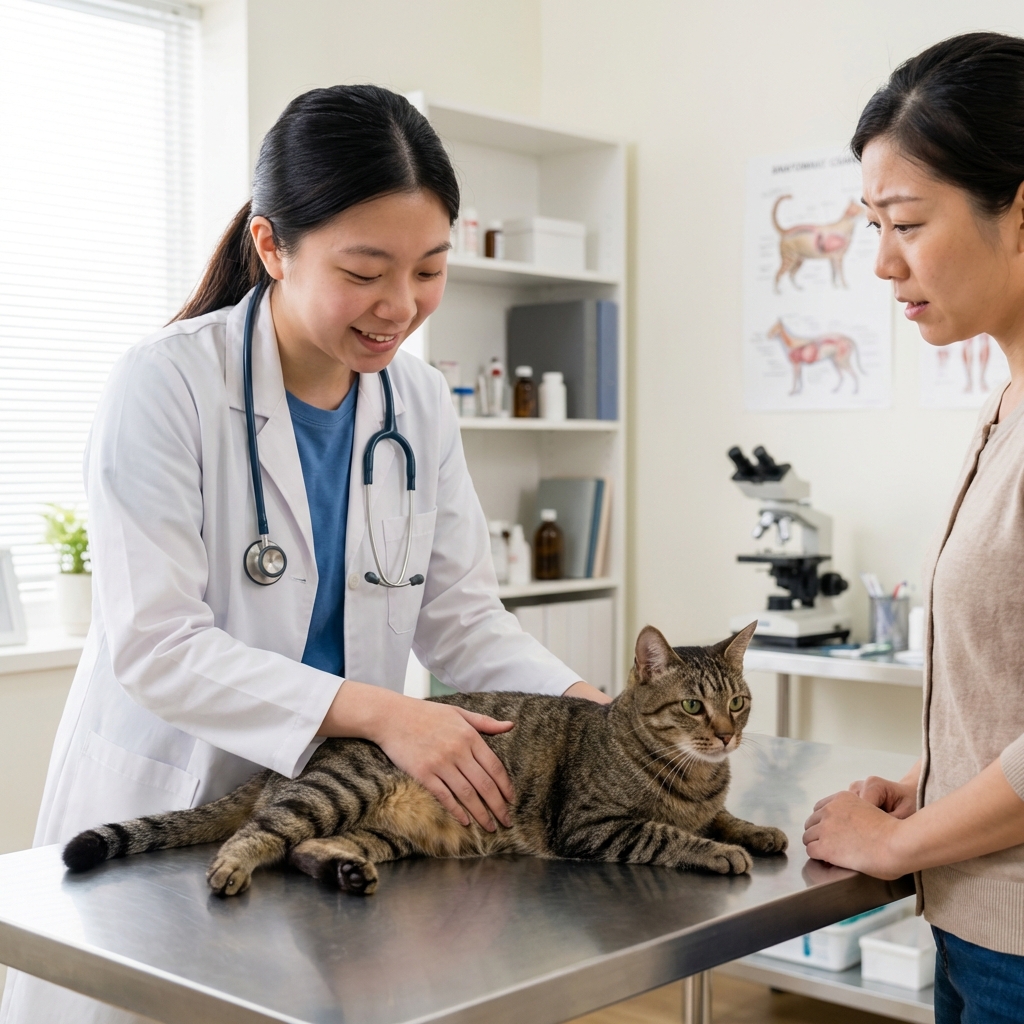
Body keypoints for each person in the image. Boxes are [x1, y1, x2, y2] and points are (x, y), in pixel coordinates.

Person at [0, 84, 608, 1024]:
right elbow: (157, 643)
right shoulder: (165, 386)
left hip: (330, 814)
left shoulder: (419, 404)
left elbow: (460, 618)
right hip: (172, 801)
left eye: (429, 269)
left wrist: (587, 714)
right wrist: (389, 715)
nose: (400, 306)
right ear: (272, 246)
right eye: (365, 270)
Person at [800, 33, 1024, 1024]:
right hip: (974, 926)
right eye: (872, 225)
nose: (882, 263)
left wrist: (896, 845)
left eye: (906, 223)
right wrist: (922, 780)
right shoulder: (1001, 406)